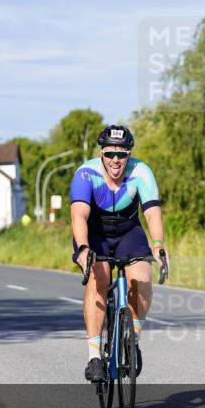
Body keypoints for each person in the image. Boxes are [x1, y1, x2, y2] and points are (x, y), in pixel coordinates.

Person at [69, 124, 168, 382]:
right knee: (98, 279)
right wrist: (82, 247)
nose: (116, 160)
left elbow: (152, 211)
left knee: (143, 279)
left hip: (127, 231)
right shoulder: (85, 174)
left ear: (129, 155)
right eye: (110, 154)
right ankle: (93, 357)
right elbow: (79, 215)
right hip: (95, 234)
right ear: (101, 153)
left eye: (122, 154)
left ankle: (131, 340)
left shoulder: (141, 172)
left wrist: (158, 244)